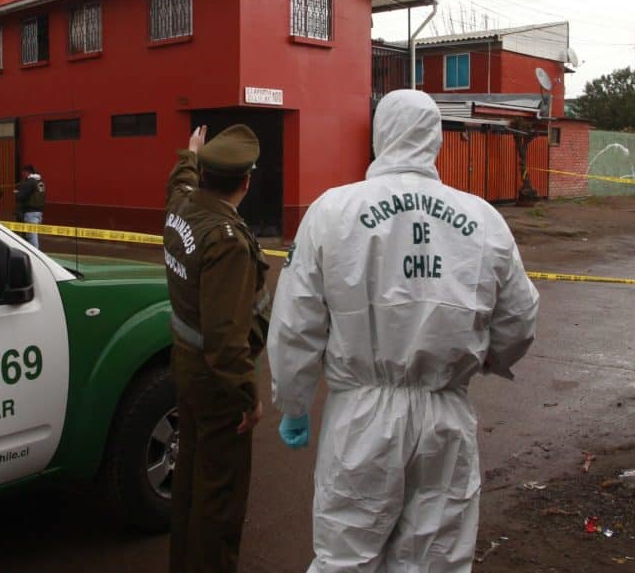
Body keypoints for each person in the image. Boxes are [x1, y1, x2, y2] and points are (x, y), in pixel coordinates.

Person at [267, 90, 539, 573]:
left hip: (361, 419)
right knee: (435, 559)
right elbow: (519, 317)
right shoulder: (482, 219)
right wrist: (494, 358)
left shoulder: (333, 212)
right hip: (445, 416)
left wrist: (294, 402)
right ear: (435, 139)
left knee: (346, 557)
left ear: (379, 136)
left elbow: (296, 322)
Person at [164, 124, 270, 573]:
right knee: (219, 500)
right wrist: (247, 398)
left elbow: (179, 183)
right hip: (216, 386)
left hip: (187, 370)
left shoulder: (183, 208)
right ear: (246, 181)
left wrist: (190, 153)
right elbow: (227, 340)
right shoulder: (225, 242)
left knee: (189, 483)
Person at [14, 165, 45, 248]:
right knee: (33, 235)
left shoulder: (30, 182)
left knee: (32, 237)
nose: (22, 175)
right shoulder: (40, 181)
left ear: (26, 172)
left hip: (31, 213)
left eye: (23, 173)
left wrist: (17, 192)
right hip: (39, 212)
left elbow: (21, 196)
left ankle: (35, 256)